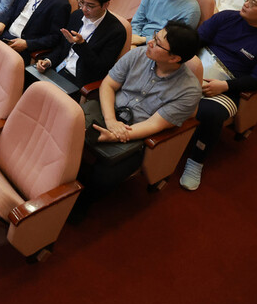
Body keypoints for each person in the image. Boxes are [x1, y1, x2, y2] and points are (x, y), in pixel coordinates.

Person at [69, 21, 202, 219]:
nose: (150, 42)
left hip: (137, 132)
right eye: (155, 36)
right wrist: (111, 121)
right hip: (108, 111)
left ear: (175, 58)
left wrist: (115, 135)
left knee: (103, 177)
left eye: (157, 43)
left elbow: (155, 124)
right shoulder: (139, 54)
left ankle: (79, 205)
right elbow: (108, 86)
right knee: (63, 133)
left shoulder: (189, 90)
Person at [179, 0, 257, 192]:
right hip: (196, 69)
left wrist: (225, 86)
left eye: (253, 3)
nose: (246, 3)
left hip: (228, 87)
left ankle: (196, 160)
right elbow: (197, 41)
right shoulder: (226, 17)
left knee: (210, 114)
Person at [34, 0, 126, 89]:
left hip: (78, 82)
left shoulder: (116, 32)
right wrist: (48, 61)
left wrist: (81, 45)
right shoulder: (77, 16)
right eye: (81, 2)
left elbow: (100, 68)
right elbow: (62, 47)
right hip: (57, 70)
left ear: (106, 5)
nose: (84, 9)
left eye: (90, 6)